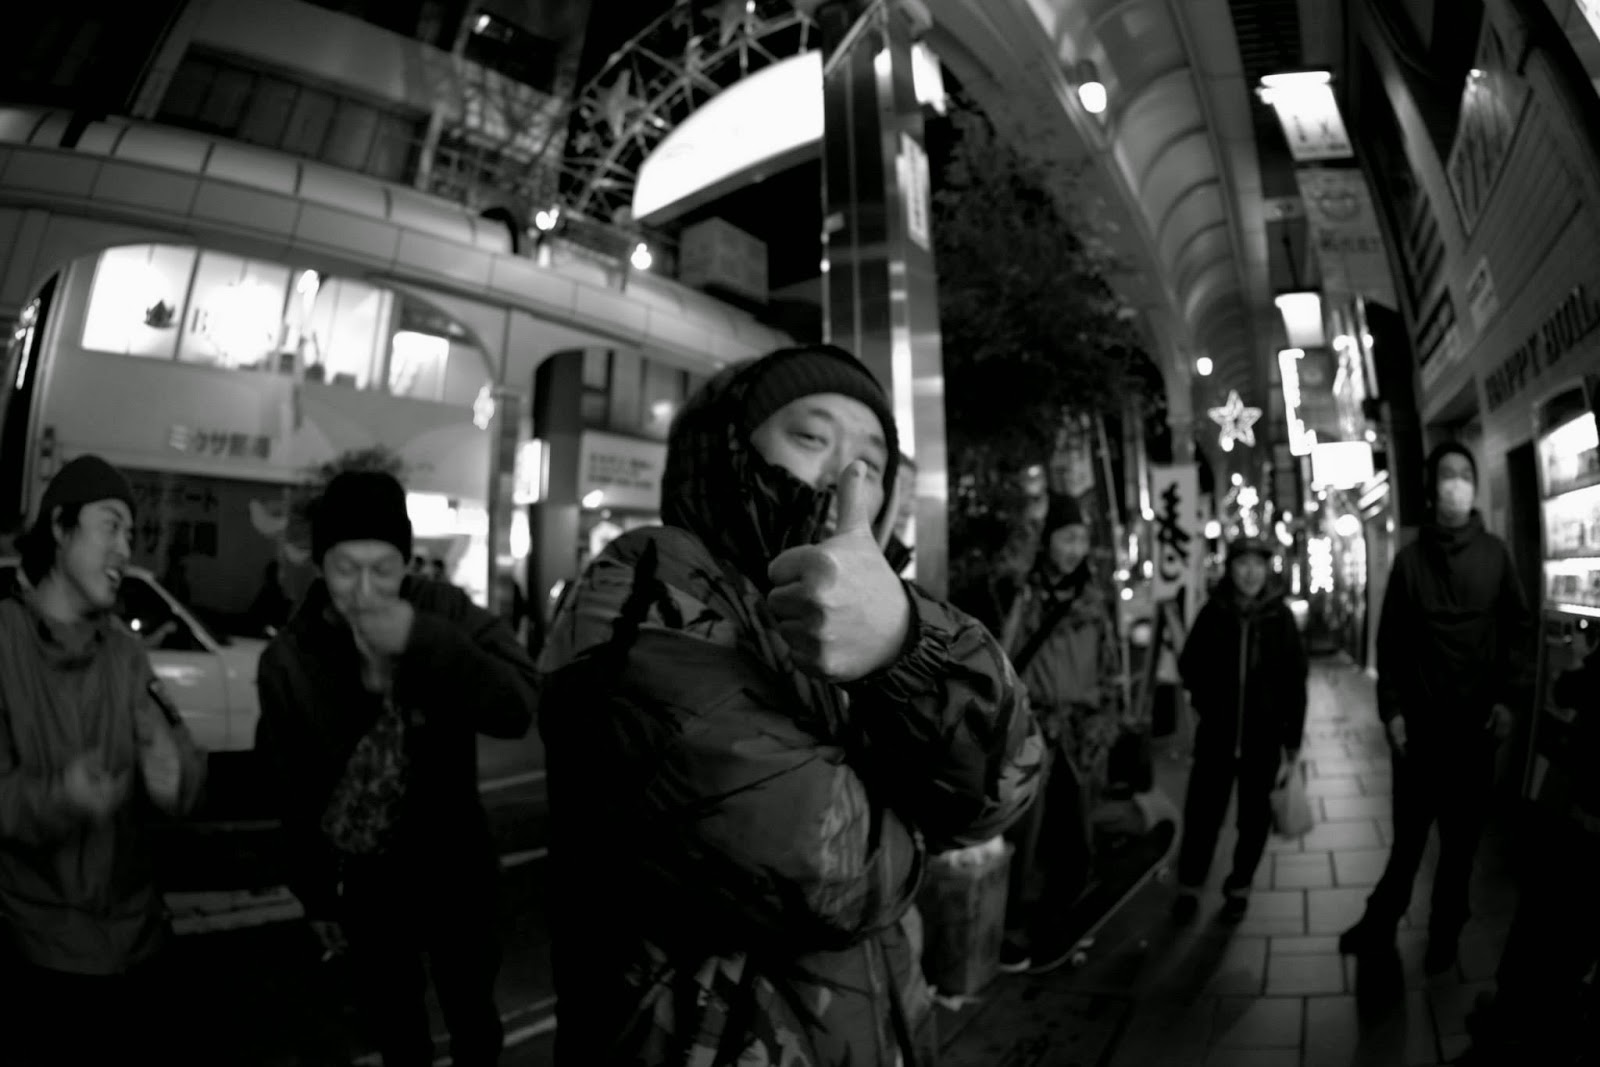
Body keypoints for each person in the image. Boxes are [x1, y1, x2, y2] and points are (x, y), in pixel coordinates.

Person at [536, 344, 1043, 1066]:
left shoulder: (869, 625)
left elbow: (1001, 790)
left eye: (873, 462)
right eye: (810, 437)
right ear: (727, 451)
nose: (847, 477)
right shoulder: (646, 586)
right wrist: (926, 806)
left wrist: (906, 643)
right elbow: (835, 873)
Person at [254, 470, 537, 1067]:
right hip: (368, 886)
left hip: (457, 867)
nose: (363, 590)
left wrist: (424, 640)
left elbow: (518, 705)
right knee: (397, 1032)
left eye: (382, 569)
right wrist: (316, 896)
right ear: (320, 564)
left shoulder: (444, 611)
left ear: (406, 562)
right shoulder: (291, 658)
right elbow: (290, 788)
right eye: (344, 569)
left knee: (473, 1022)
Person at [0, 455, 207, 1065]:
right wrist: (60, 797)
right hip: (34, 953)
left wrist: (176, 775)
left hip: (138, 947)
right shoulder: (5, 642)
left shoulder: (125, 653)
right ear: (60, 528)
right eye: (111, 527)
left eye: (131, 535)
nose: (125, 550)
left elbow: (178, 746)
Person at [1339, 442, 1532, 971]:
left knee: (1460, 846)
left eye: (1464, 474)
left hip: (1475, 730)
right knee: (1408, 841)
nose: (1456, 483)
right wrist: (1393, 711)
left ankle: (1446, 931)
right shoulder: (1410, 562)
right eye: (1447, 474)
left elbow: (1519, 632)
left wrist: (1509, 700)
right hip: (1420, 733)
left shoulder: (1496, 556)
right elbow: (1391, 644)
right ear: (1431, 487)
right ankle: (1381, 921)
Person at [996, 492, 1130, 971]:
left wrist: (1107, 723)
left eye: (1081, 539)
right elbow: (1002, 657)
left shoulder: (1092, 597)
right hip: (1033, 732)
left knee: (1075, 835)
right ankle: (1013, 929)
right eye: (1066, 537)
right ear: (1046, 540)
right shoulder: (1022, 594)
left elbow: (1110, 667)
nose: (1075, 549)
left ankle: (1061, 919)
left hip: (1081, 734)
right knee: (1026, 836)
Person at [1458, 628, 1600, 1064]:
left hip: (1588, 812)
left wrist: (1581, 658)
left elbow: (1570, 690)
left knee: (1550, 909)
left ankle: (1520, 1017)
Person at [1170, 535, 1308, 923]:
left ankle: (1240, 885)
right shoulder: (1214, 612)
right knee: (1202, 815)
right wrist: (1208, 703)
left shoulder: (1279, 617)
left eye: (1258, 565)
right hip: (1216, 736)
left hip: (1263, 740)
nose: (1251, 573)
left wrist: (1292, 739)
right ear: (1230, 569)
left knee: (1254, 819)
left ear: (1267, 570)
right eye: (1243, 564)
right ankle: (1190, 885)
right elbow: (1189, 666)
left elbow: (1295, 681)